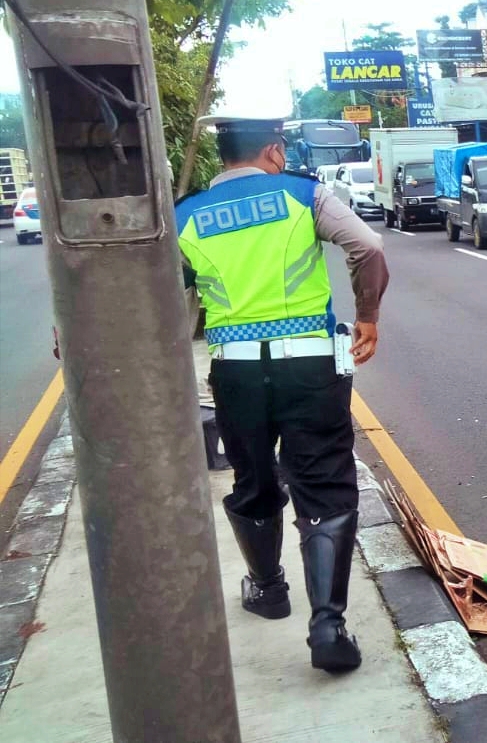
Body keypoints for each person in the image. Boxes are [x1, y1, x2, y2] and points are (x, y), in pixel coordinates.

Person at [176, 116, 390, 673]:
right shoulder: (303, 195)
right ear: (272, 151)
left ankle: (268, 589)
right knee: (322, 479)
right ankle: (327, 625)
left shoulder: (185, 215)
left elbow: (155, 290)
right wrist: (366, 316)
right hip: (311, 365)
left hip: (236, 372)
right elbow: (367, 247)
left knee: (252, 477)